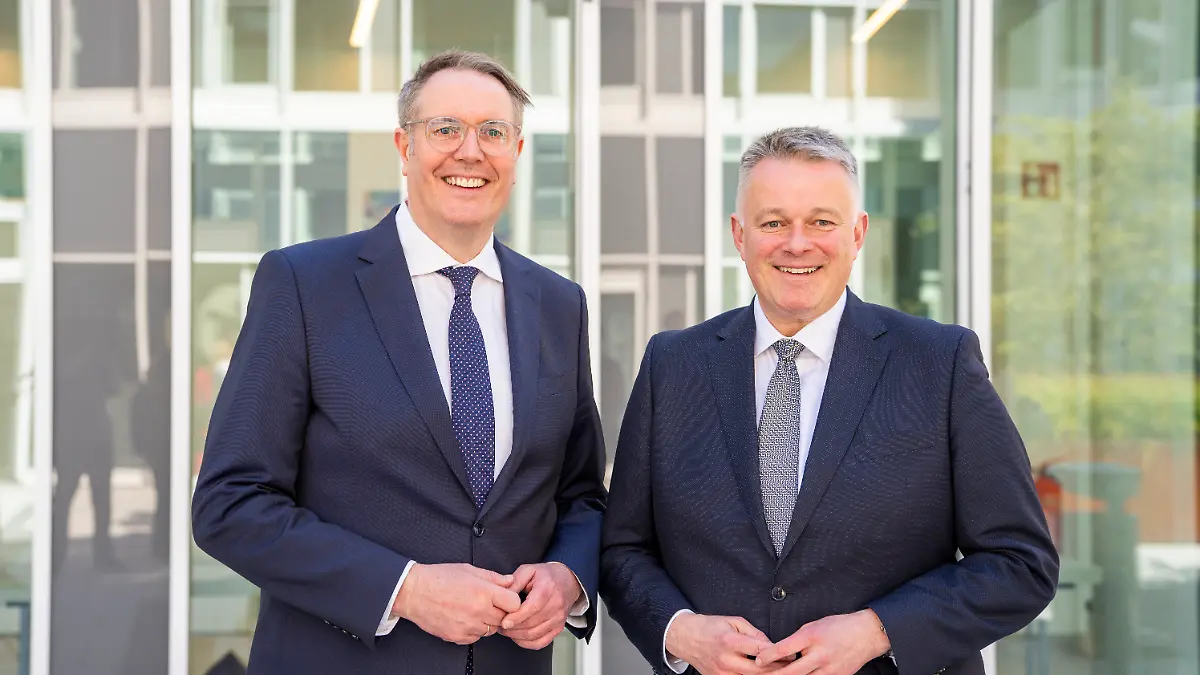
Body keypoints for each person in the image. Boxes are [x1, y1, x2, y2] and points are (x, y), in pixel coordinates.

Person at [192, 49, 607, 675]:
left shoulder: (558, 304)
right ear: (403, 145)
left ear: (517, 154)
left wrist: (567, 576)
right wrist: (405, 589)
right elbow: (230, 503)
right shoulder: (306, 284)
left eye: (493, 132)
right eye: (445, 129)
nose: (470, 151)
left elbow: (579, 495)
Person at [599, 126, 1058, 675]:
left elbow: (1019, 563)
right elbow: (623, 551)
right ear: (739, 236)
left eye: (821, 221)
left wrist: (879, 631)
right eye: (773, 223)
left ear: (858, 233)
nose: (798, 243)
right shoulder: (672, 366)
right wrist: (682, 631)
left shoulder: (938, 363)